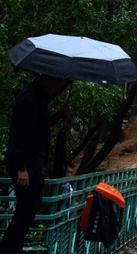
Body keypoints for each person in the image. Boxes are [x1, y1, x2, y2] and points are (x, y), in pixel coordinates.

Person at [1, 75, 69, 254]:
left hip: (33, 162)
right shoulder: (28, 98)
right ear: (49, 79)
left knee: (29, 208)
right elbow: (20, 134)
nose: (58, 87)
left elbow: (41, 124)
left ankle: (12, 247)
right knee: (25, 210)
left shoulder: (39, 98)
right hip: (25, 165)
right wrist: (22, 168)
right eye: (59, 82)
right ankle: (8, 249)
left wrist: (58, 115)